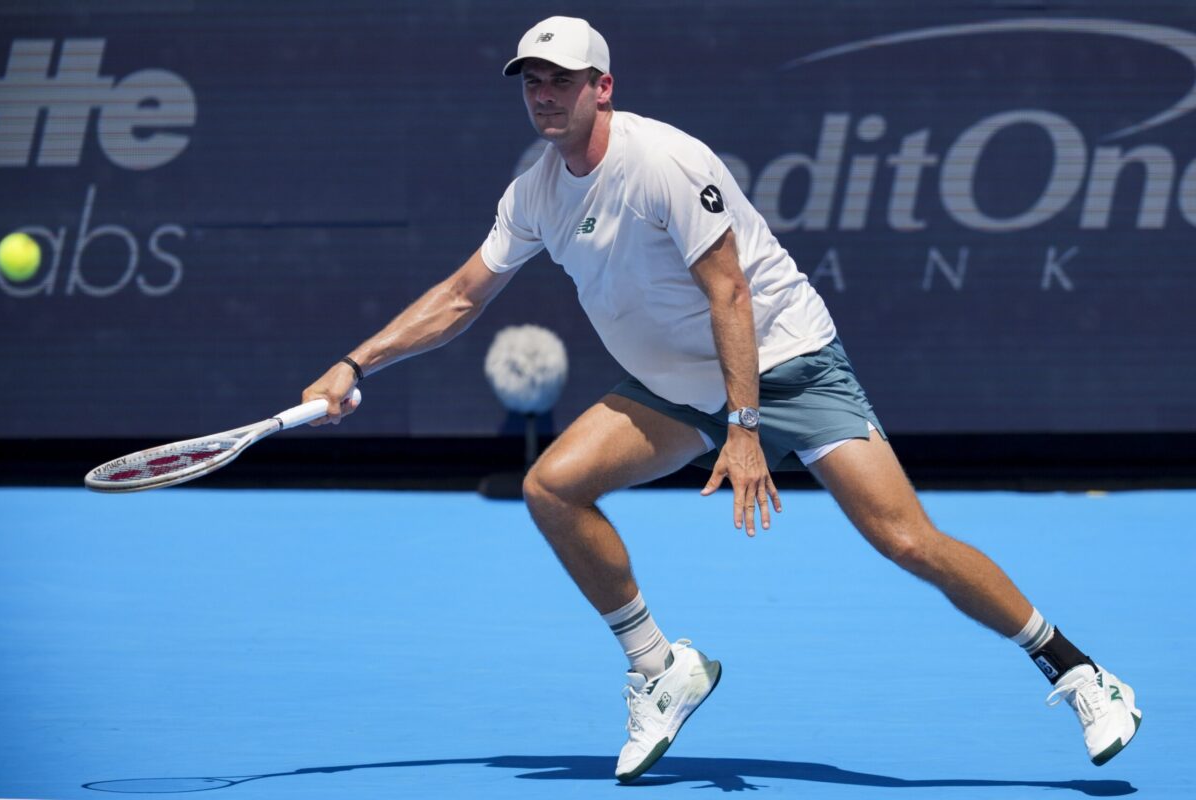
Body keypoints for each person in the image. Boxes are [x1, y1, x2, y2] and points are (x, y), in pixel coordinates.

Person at [302, 16, 1141, 783]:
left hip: (788, 365)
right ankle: (660, 668)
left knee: (905, 539)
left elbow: (729, 293)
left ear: (602, 87)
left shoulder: (664, 161)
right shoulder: (535, 194)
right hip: (677, 388)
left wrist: (745, 428)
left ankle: (1079, 673)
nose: (544, 95)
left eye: (562, 80)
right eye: (532, 82)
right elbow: (460, 296)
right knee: (551, 487)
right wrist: (354, 363)